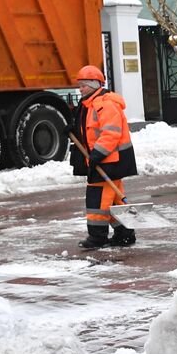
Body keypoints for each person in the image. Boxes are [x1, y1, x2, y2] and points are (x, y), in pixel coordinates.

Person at [72, 65, 137, 250]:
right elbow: (89, 131)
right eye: (80, 85)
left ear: (93, 85)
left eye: (83, 85)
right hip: (107, 160)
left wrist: (97, 154)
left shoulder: (105, 104)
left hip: (108, 160)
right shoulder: (90, 104)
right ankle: (125, 233)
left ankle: (97, 237)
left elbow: (111, 133)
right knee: (114, 200)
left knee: (97, 199)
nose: (80, 88)